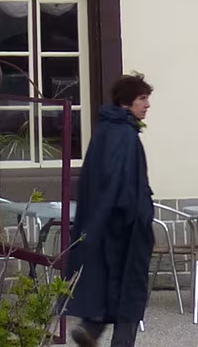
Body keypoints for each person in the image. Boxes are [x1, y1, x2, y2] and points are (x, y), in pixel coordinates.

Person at [64, 73, 155, 347]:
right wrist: (139, 217)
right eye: (142, 98)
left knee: (111, 285)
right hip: (124, 227)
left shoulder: (105, 130)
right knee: (129, 289)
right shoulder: (124, 135)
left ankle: (91, 329)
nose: (147, 105)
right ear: (126, 102)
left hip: (105, 223)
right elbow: (121, 183)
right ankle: (101, 334)